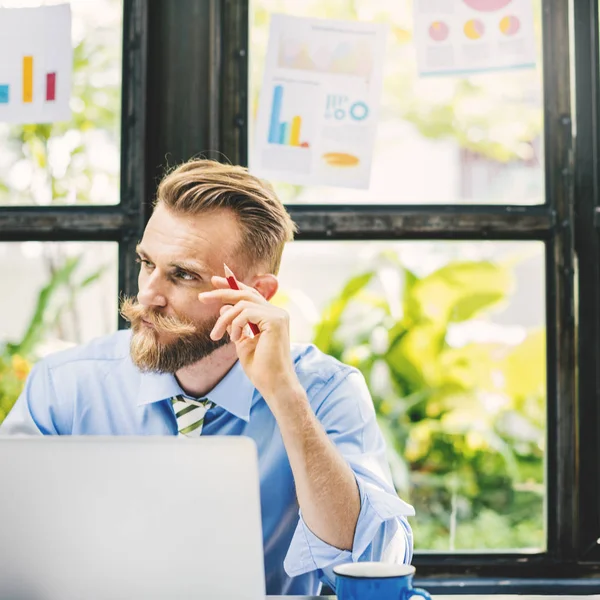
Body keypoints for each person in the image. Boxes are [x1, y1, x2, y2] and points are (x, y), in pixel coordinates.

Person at [1, 159, 415, 596]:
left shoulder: (325, 392)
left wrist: (284, 397)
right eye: (147, 263)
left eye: (183, 274)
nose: (148, 295)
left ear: (257, 294)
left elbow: (372, 563)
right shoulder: (64, 387)